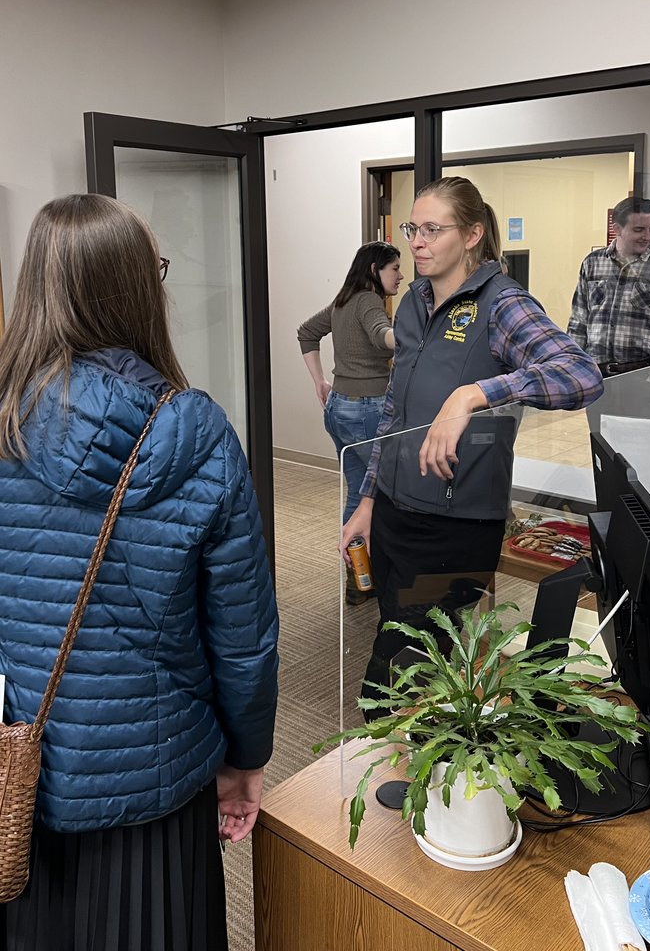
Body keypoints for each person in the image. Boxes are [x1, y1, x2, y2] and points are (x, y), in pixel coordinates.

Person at [0, 194, 278, 951]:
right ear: (132, 289)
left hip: (17, 777)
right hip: (153, 785)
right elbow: (242, 633)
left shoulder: (3, 417)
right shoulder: (189, 428)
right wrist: (246, 758)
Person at [341, 176, 603, 696]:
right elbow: (395, 411)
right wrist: (368, 499)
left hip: (453, 526)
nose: (416, 240)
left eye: (433, 229)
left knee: (394, 681)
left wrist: (475, 393)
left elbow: (580, 374)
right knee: (407, 642)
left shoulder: (503, 304)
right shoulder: (414, 301)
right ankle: (432, 769)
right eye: (414, 228)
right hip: (395, 509)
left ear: (472, 235)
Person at [297, 241, 403, 604]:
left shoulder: (343, 301)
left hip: (339, 407)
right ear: (375, 270)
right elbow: (381, 335)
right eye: (395, 269)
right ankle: (370, 578)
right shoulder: (369, 301)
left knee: (359, 493)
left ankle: (359, 579)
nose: (401, 276)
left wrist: (319, 382)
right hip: (369, 410)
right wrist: (412, 337)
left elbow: (306, 332)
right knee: (379, 495)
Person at [567, 196, 650, 376]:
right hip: (597, 374)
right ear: (617, 229)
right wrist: (573, 367)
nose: (647, 236)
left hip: (643, 376)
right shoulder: (593, 263)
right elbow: (578, 322)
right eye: (639, 229)